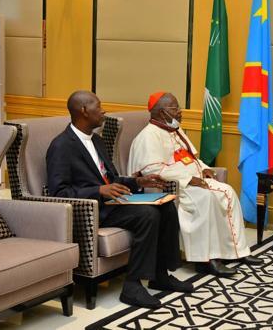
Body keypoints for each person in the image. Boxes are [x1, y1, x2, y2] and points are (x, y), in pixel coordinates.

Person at [46, 90, 193, 309]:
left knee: (166, 206)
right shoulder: (61, 146)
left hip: (114, 203)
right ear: (84, 111)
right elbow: (58, 193)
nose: (103, 110)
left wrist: (139, 183)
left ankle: (160, 274)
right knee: (148, 214)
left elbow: (112, 178)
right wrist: (99, 190)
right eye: (98, 106)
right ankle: (132, 287)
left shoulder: (96, 140)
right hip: (92, 210)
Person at [127, 92, 263, 277]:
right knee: (206, 197)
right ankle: (205, 260)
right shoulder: (148, 137)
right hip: (172, 186)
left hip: (191, 181)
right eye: (175, 108)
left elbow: (189, 158)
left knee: (228, 192)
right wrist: (189, 179)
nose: (180, 112)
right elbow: (152, 171)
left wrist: (204, 168)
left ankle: (237, 252)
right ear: (160, 112)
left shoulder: (175, 130)